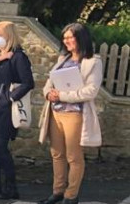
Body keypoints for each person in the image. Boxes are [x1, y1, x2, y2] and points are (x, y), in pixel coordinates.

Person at [36, 23, 102, 204]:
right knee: (57, 154)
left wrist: (63, 95)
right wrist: (48, 93)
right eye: (64, 38)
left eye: (70, 37)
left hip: (75, 114)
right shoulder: (62, 59)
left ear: (81, 38)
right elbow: (50, 82)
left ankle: (71, 196)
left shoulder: (93, 62)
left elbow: (91, 91)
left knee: (74, 156)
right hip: (55, 113)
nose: (66, 42)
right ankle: (57, 192)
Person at [0, 21, 34, 199]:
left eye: (0, 35)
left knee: (0, 146)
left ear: (9, 36)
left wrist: (10, 98)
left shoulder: (19, 57)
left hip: (5, 110)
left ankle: (11, 187)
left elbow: (28, 82)